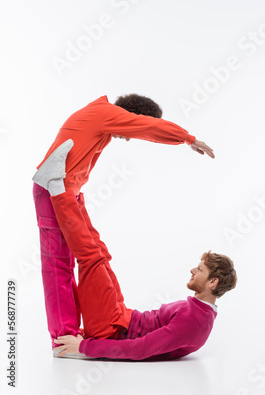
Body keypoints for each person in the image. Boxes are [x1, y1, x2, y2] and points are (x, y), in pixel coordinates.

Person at [32, 94, 215, 350]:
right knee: (59, 266)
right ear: (130, 115)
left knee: (85, 257)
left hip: (67, 192)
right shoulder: (105, 113)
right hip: (53, 191)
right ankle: (62, 340)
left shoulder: (102, 120)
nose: (127, 137)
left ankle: (68, 335)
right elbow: (149, 128)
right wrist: (188, 139)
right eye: (128, 128)